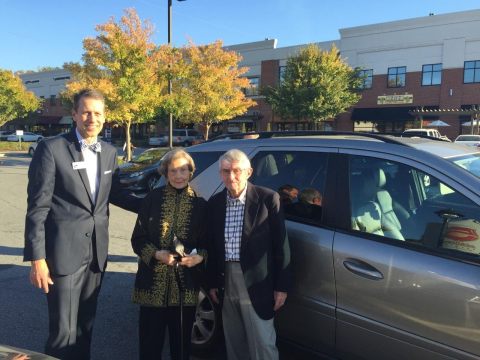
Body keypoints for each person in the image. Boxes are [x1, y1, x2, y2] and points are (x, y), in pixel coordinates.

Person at [24, 89, 141, 360]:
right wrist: (37, 259)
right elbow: (37, 207)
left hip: (96, 255)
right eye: (86, 112)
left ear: (105, 117)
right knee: (63, 331)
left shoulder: (110, 153)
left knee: (85, 328)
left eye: (97, 113)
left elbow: (116, 193)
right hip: (61, 256)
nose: (92, 118)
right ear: (74, 114)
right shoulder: (51, 149)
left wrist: (158, 202)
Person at [207, 149, 291, 360]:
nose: (231, 177)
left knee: (262, 342)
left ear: (249, 172)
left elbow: (281, 246)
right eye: (226, 171)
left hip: (257, 280)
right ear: (220, 174)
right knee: (234, 340)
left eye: (237, 171)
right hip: (226, 277)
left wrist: (281, 287)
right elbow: (211, 247)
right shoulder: (215, 203)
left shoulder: (268, 199)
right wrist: (211, 282)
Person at [131, 148, 207, 360]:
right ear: (165, 173)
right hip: (152, 285)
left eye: (184, 170)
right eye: (173, 171)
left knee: (181, 345)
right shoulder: (152, 199)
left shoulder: (200, 204)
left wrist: (199, 256)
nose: (179, 175)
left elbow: (209, 245)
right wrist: (157, 255)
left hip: (185, 287)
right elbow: (137, 239)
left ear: (191, 172)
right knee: (149, 345)